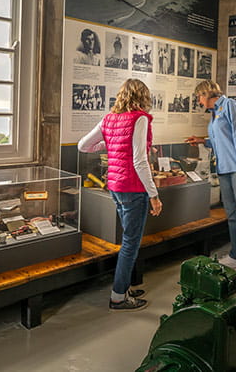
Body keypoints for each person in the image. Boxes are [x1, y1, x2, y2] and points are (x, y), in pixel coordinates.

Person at [78, 79, 163, 311]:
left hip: (115, 186)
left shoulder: (109, 119)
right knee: (130, 244)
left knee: (128, 239)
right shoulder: (140, 118)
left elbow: (83, 146)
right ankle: (118, 296)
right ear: (143, 96)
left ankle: (123, 286)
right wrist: (153, 194)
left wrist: (110, 146)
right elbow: (139, 160)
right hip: (133, 188)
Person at [186, 80, 236, 273]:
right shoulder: (214, 113)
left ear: (207, 93)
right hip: (225, 169)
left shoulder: (230, 105)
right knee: (233, 216)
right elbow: (222, 140)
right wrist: (203, 141)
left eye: (199, 97)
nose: (199, 101)